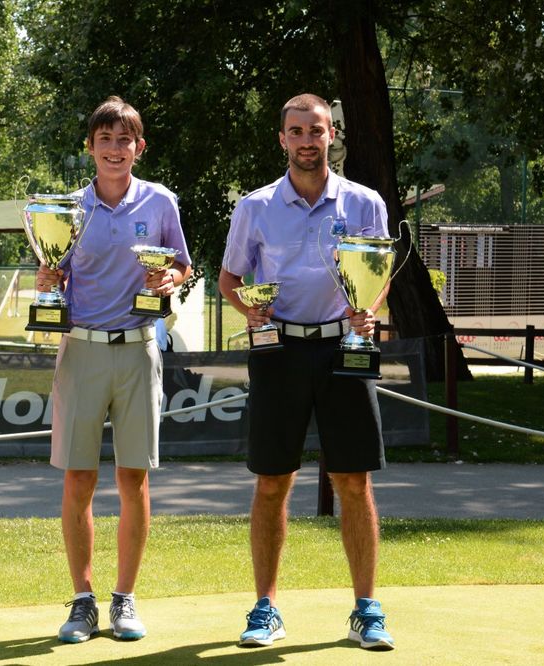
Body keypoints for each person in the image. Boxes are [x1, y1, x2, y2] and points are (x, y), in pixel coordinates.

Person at [218, 93, 396, 651]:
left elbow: (379, 274)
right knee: (272, 482)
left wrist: (370, 306)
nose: (306, 141)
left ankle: (366, 609)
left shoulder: (365, 202)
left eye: (315, 131)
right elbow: (230, 279)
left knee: (353, 480)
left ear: (331, 136)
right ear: (282, 140)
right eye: (296, 132)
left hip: (345, 350)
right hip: (279, 352)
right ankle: (265, 608)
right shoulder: (255, 206)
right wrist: (251, 310)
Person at [37, 96, 192, 643]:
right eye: (105, 140)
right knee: (79, 478)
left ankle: (124, 599)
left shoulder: (162, 202)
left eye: (124, 140)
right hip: (79, 349)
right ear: (91, 147)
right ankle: (83, 601)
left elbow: (181, 266)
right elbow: (51, 270)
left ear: (138, 147)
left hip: (137, 349)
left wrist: (169, 282)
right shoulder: (67, 211)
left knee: (134, 478)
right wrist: (46, 283)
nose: (114, 149)